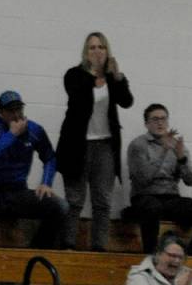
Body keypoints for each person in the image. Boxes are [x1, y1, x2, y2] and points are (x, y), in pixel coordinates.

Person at [0, 90, 68, 268]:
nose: (16, 115)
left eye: (19, 109)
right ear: (1, 112)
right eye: (11, 111)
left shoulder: (34, 130)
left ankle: (36, 254)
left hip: (16, 190)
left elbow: (50, 157)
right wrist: (11, 135)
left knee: (60, 206)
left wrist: (46, 182)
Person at [57, 31, 134, 251]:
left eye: (101, 47)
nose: (97, 51)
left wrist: (117, 77)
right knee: (75, 200)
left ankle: (99, 248)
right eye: (92, 47)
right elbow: (78, 96)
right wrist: (95, 73)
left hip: (105, 145)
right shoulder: (74, 75)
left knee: (102, 201)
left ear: (107, 50)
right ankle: (68, 245)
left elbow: (127, 101)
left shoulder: (113, 78)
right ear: (86, 52)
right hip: (77, 146)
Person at [126, 103, 192, 255]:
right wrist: (163, 151)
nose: (160, 123)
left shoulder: (176, 145)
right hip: (145, 197)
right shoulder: (138, 145)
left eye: (163, 119)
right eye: (155, 119)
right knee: (152, 208)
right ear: (146, 124)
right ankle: (151, 257)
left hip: (170, 198)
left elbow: (191, 181)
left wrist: (182, 159)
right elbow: (143, 179)